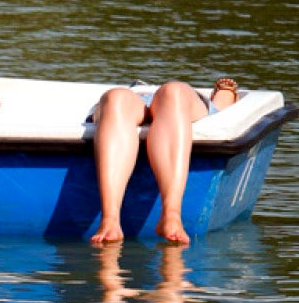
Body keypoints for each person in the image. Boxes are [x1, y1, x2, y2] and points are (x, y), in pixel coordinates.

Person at [89, 78, 239, 245]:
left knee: (173, 93)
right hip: (134, 102)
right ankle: (110, 220)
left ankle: (171, 215)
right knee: (116, 98)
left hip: (175, 101)